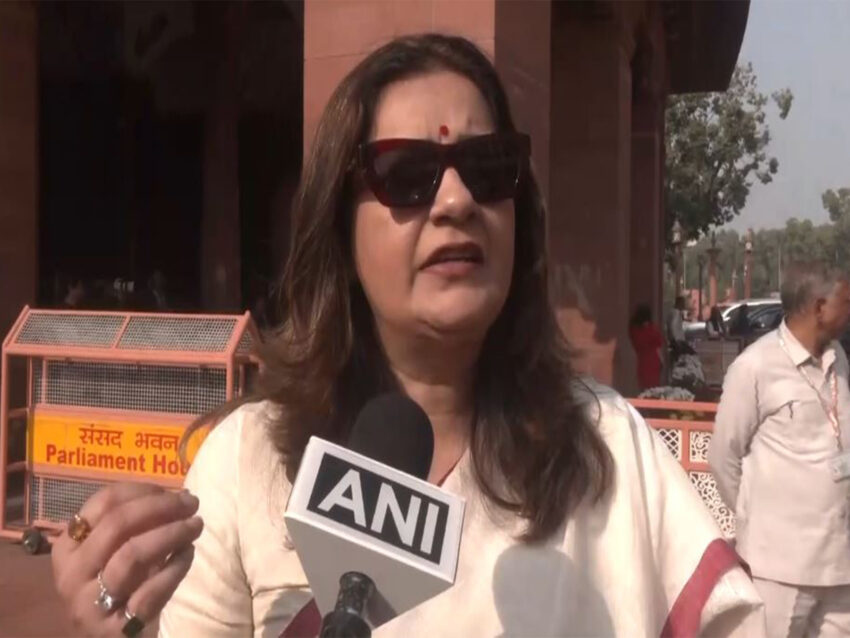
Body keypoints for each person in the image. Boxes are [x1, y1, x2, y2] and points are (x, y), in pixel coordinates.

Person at [52, 34, 763, 637]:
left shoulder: (609, 445)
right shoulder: (247, 462)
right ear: (339, 227)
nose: (457, 201)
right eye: (407, 174)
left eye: (488, 168)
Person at [709, 262, 850, 637]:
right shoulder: (755, 366)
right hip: (780, 567)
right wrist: (759, 520)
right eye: (846, 302)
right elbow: (723, 458)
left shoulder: (838, 358)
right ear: (819, 307)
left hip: (839, 563)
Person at [629, 303, 663, 390]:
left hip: (641, 360)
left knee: (643, 386)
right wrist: (662, 361)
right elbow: (658, 346)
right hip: (653, 360)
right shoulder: (652, 329)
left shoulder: (634, 330)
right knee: (653, 387)